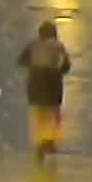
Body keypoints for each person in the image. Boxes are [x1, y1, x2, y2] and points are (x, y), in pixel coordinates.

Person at [16, 20, 73, 161]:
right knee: (53, 112)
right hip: (52, 81)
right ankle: (50, 140)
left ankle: (39, 141)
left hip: (35, 81)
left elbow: (21, 60)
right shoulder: (58, 46)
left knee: (38, 112)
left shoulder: (32, 45)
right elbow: (66, 66)